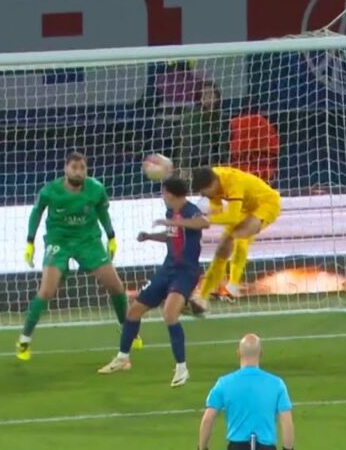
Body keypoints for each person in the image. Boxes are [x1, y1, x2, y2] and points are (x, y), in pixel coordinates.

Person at [15, 152, 136, 360]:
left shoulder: (96, 189)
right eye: (74, 168)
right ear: (66, 168)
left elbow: (102, 213)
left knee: (115, 285)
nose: (78, 172)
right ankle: (24, 339)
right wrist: (29, 242)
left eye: (82, 168)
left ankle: (127, 330)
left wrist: (111, 237)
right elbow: (36, 213)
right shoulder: (50, 191)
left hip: (88, 241)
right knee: (47, 290)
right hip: (58, 241)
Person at [97, 176, 209, 387]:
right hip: (167, 270)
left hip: (185, 272)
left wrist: (174, 222)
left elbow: (204, 222)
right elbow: (171, 236)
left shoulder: (189, 209)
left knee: (169, 314)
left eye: (164, 192)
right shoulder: (171, 213)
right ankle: (122, 358)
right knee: (133, 311)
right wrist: (150, 236)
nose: (162, 196)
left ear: (171, 193)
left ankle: (182, 368)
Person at [189, 166, 282, 300]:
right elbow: (218, 211)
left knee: (238, 236)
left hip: (267, 203)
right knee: (222, 249)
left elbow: (231, 217)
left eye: (206, 192)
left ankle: (232, 286)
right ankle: (205, 294)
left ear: (214, 183)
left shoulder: (233, 182)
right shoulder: (211, 180)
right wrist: (206, 217)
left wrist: (205, 220)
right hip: (245, 207)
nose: (205, 195)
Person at [198, 334, 295, 450]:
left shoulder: (224, 383)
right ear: (261, 353)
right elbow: (287, 422)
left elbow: (208, 419)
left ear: (238, 353)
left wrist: (202, 448)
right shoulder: (277, 384)